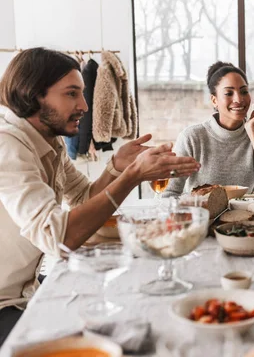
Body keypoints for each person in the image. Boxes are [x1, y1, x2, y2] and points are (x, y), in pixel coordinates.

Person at [0, 47, 200, 345]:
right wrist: (132, 176)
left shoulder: (48, 140)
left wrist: (117, 166)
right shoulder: (8, 145)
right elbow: (58, 237)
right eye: (71, 94)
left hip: (25, 292)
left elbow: (82, 197)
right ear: (34, 95)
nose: (84, 104)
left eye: (82, 93)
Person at [163, 61, 254, 197]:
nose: (239, 99)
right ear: (214, 100)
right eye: (229, 93)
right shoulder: (192, 138)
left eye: (244, 91)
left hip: (247, 216)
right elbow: (167, 192)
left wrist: (252, 131)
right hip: (202, 216)